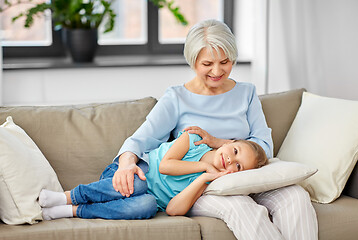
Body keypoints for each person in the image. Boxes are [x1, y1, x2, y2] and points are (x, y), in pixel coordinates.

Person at [112, 19, 318, 240]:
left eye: (225, 61)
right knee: (240, 206)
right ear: (193, 62)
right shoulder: (176, 98)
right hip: (205, 184)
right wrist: (126, 163)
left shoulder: (246, 93)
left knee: (296, 197)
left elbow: (265, 148)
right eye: (207, 64)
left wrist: (217, 142)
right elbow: (141, 139)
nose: (217, 71)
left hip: (248, 175)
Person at [39, 131, 267, 220]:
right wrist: (202, 168)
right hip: (129, 176)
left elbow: (172, 210)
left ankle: (74, 211)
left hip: (143, 198)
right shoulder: (192, 141)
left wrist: (202, 180)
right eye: (235, 151)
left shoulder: (210, 183)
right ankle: (69, 197)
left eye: (238, 167)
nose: (231, 160)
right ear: (230, 142)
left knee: (148, 206)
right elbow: (166, 166)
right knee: (139, 185)